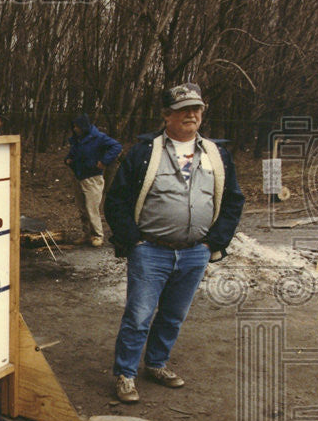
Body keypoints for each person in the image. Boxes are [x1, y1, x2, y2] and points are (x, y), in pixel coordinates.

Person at [104, 82, 245, 403]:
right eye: (183, 110)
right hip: (150, 251)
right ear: (167, 115)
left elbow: (234, 200)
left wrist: (214, 243)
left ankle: (155, 364)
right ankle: (125, 374)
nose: (191, 115)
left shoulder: (217, 153)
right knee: (139, 316)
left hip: (196, 253)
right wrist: (134, 241)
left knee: (172, 316)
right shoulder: (144, 153)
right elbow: (116, 201)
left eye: (196, 109)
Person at [64, 113, 123, 246]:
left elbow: (117, 147)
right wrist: (68, 159)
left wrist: (104, 161)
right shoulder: (77, 139)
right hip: (78, 175)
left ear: (83, 126)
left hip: (92, 177)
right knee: (82, 208)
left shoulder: (99, 138)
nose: (75, 129)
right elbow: (73, 152)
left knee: (92, 208)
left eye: (77, 127)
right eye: (73, 126)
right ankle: (86, 234)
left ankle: (97, 235)